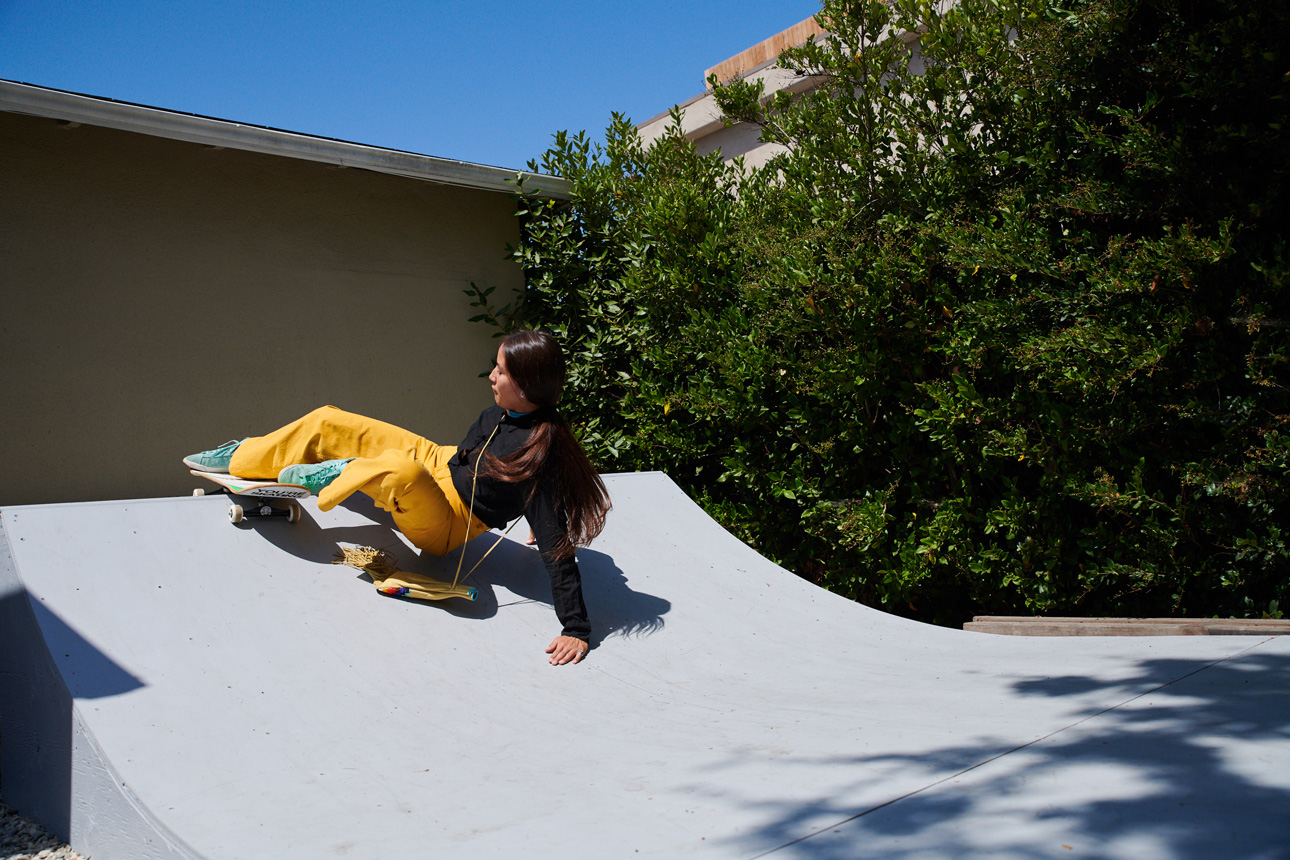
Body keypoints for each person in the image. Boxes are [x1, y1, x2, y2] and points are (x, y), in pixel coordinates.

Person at [183, 329, 611, 666]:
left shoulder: (541, 457)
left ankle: (338, 474)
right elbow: (492, 472)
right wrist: (526, 512)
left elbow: (558, 550)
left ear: (527, 385)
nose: (491, 377)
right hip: (442, 463)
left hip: (450, 520)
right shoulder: (497, 413)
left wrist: (576, 628)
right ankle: (242, 455)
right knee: (330, 421)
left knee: (400, 471)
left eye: (500, 372)